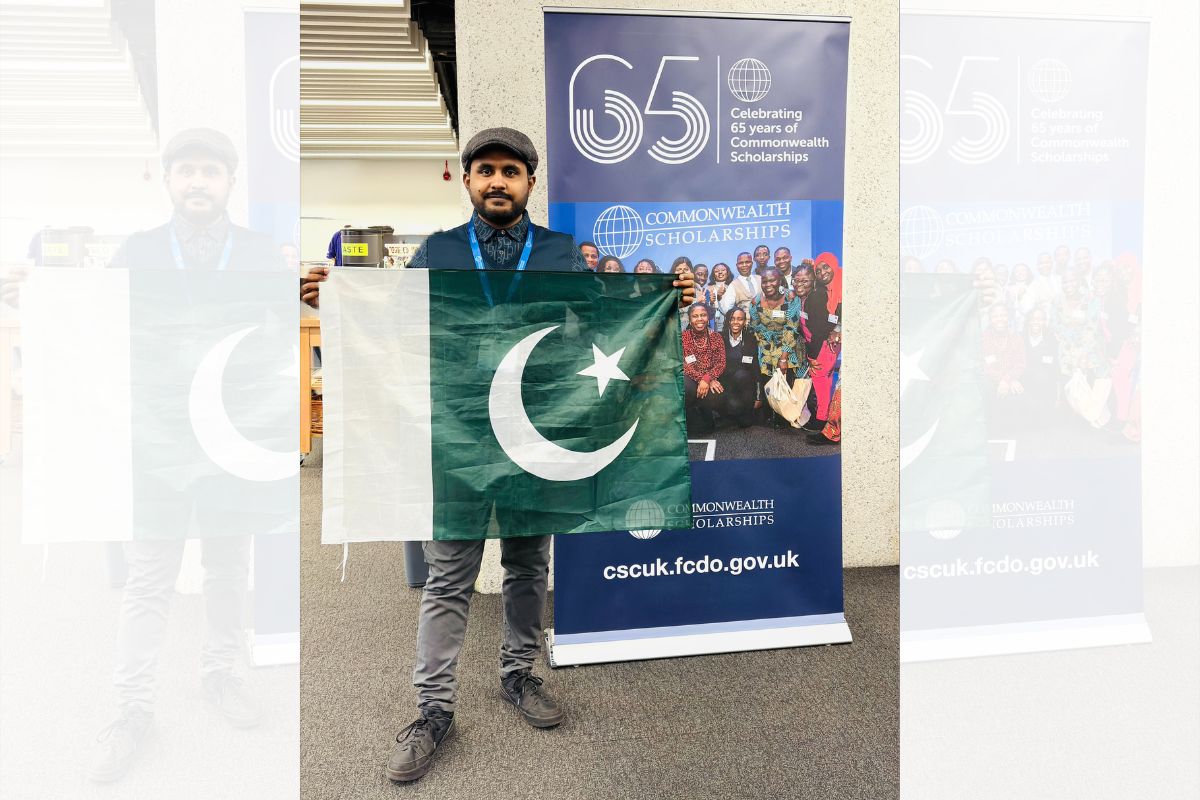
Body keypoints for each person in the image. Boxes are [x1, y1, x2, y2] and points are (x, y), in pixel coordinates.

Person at [301, 127, 694, 784]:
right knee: (448, 573)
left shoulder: (562, 253)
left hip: (536, 436)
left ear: (530, 184)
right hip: (456, 437)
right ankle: (432, 711)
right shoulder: (440, 251)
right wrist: (335, 300)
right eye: (485, 170)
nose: (497, 181)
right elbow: (395, 323)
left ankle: (519, 675)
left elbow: (600, 325)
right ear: (467, 180)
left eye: (511, 171)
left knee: (526, 565)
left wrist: (664, 303)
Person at [90, 128, 283, 784]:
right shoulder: (136, 253)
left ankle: (222, 675)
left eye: (210, 171)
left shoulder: (259, 254)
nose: (198, 181)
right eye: (186, 171)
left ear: (229, 182)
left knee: (229, 565)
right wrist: (45, 291)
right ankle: (131, 709)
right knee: (150, 575)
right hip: (158, 442)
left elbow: (279, 340)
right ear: (168, 181)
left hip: (229, 437)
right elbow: (98, 332)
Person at [748, 267, 804, 422]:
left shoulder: (791, 299)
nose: (768, 284)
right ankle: (769, 412)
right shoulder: (756, 301)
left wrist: (783, 357)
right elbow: (755, 325)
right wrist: (767, 340)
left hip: (788, 343)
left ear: (780, 280)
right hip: (766, 343)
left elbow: (791, 327)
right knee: (767, 377)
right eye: (764, 281)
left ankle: (786, 415)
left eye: (772, 280)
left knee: (785, 377)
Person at [681, 303, 725, 435]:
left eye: (703, 315)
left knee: (718, 394)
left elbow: (721, 363)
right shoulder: (683, 337)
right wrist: (703, 379)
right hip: (690, 379)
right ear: (689, 319)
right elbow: (684, 364)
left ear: (708, 318)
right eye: (695, 316)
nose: (699, 319)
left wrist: (708, 378)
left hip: (707, 379)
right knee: (684, 385)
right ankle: (688, 415)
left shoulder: (716, 337)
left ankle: (705, 410)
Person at [981, 303, 1026, 431]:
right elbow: (985, 365)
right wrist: (1003, 380)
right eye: (995, 316)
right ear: (990, 320)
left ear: (1008, 317)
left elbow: (1020, 364)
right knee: (987, 389)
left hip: (1009, 378)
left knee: (1019, 394)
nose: (999, 319)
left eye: (1003, 315)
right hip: (991, 378)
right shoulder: (984, 338)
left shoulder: (1016, 337)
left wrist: (1008, 379)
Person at [717, 307, 758, 427]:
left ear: (744, 322)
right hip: (725, 385)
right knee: (730, 412)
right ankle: (726, 412)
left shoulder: (750, 339)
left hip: (744, 386)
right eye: (733, 319)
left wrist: (759, 397)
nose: (736, 322)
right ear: (728, 321)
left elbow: (755, 368)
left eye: (740, 319)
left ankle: (744, 412)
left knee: (743, 375)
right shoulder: (720, 338)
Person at [719, 250, 759, 320]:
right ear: (737, 265)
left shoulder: (761, 279)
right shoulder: (733, 285)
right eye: (741, 263)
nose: (744, 265)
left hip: (765, 325)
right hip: (746, 325)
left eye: (747, 262)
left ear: (752, 263)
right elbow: (726, 310)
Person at [705, 262, 733, 331]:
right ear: (713, 275)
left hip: (730, 320)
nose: (720, 272)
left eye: (723, 270)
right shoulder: (708, 288)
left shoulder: (733, 286)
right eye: (716, 271)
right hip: (713, 322)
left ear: (728, 272)